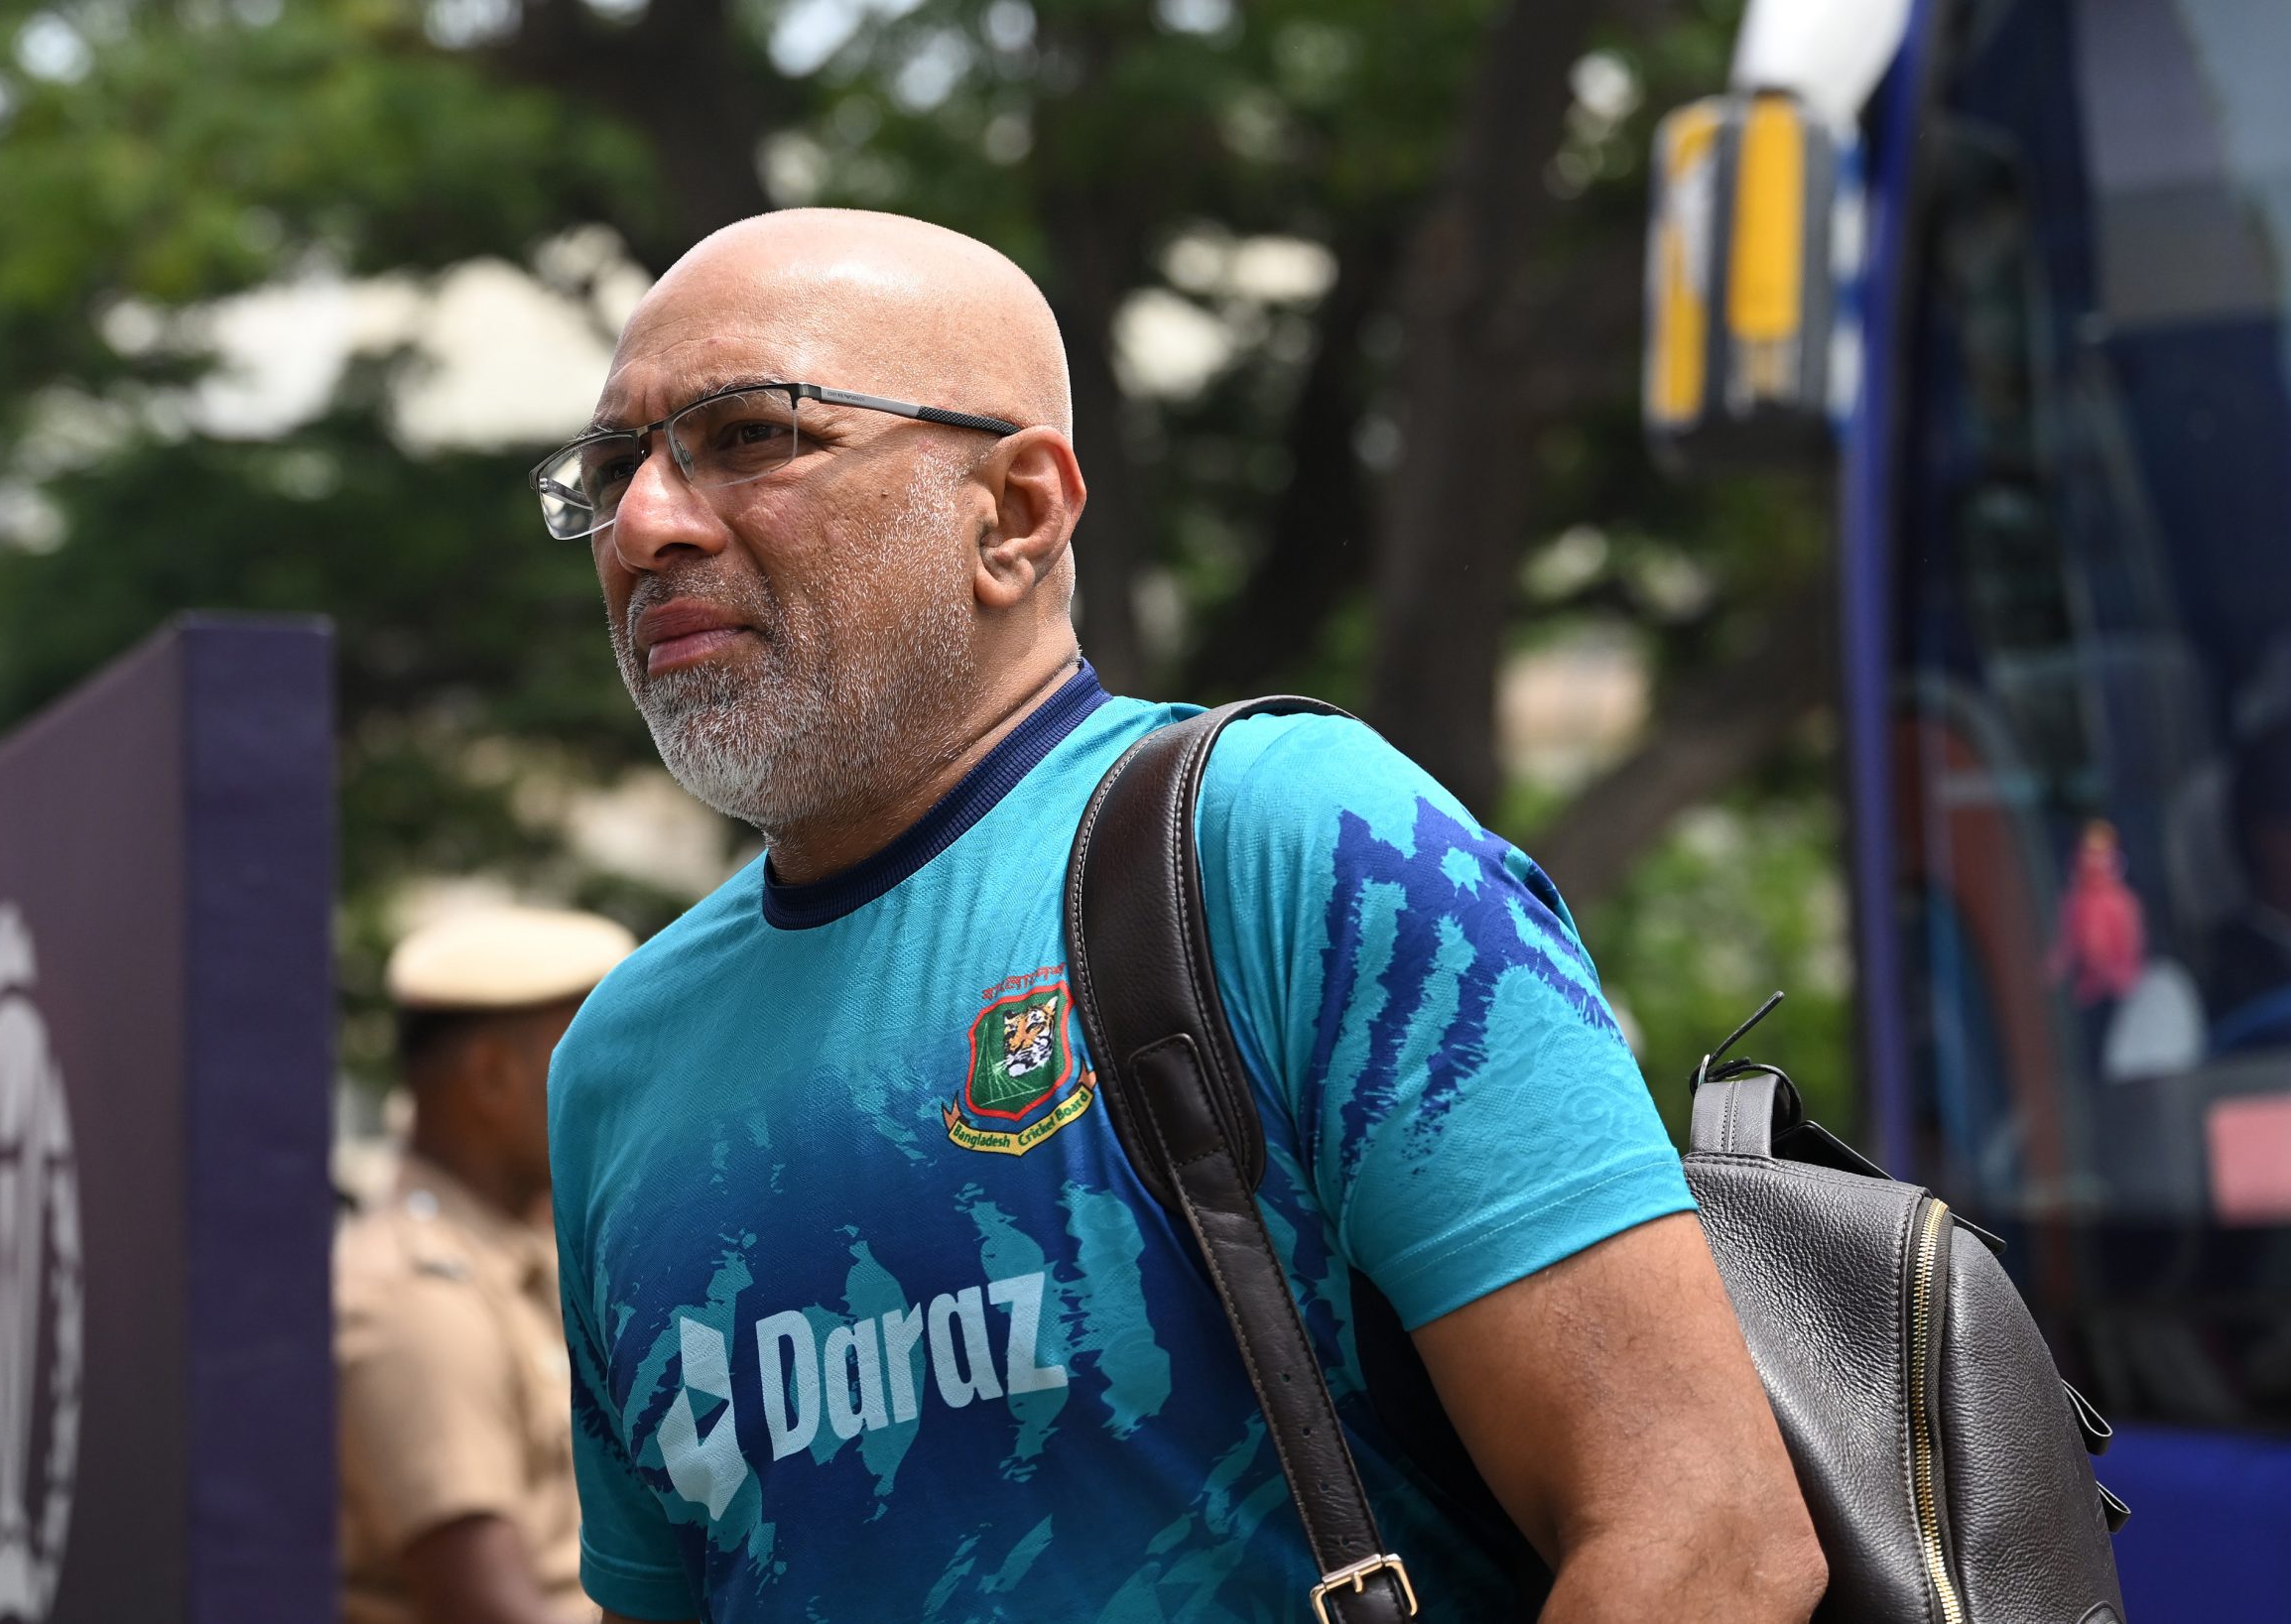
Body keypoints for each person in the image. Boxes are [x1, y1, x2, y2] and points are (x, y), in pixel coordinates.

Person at [541, 209, 1826, 1623]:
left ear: (1018, 512)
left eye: (752, 437)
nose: (648, 524)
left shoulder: (1289, 841)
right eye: (613, 470)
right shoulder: (619, 1065)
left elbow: (1705, 1537)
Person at [338, 906, 636, 1624]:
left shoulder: (516, 1248)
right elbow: (486, 1605)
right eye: (593, 1057)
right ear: (494, 1077)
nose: (623, 1088)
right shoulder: (412, 1297)